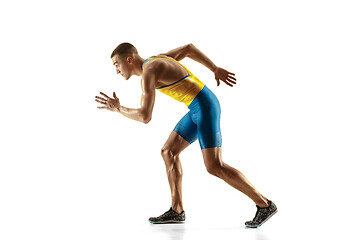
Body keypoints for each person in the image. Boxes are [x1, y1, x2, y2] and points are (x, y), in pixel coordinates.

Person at [95, 42, 277, 228]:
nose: (116, 71)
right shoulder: (155, 59)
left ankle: (265, 204)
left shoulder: (150, 70)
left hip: (205, 107)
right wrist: (214, 69)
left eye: (116, 64)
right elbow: (188, 49)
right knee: (168, 151)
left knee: (214, 166)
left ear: (129, 59)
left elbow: (144, 116)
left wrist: (118, 109)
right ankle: (177, 210)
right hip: (196, 108)